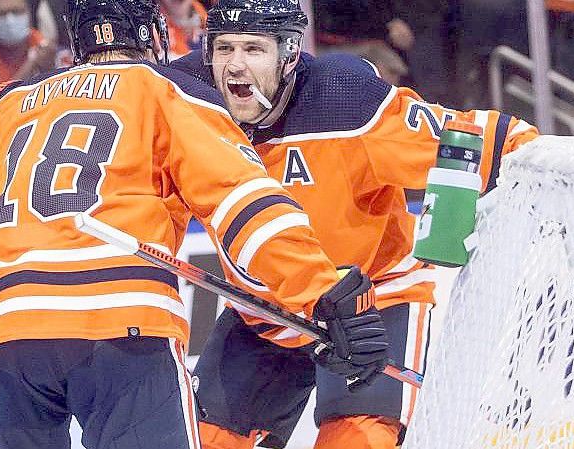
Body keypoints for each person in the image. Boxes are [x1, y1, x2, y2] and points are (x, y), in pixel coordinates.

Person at [0, 1, 390, 448]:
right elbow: (246, 205)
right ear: (152, 35)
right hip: (119, 328)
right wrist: (322, 294)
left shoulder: (6, 112)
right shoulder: (171, 93)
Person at [170, 0, 540, 448]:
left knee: (356, 441)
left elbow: (467, 137)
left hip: (374, 301)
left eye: (253, 49)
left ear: (288, 54)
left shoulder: (346, 99)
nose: (234, 65)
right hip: (263, 312)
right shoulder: (188, 98)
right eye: (224, 48)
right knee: (203, 441)